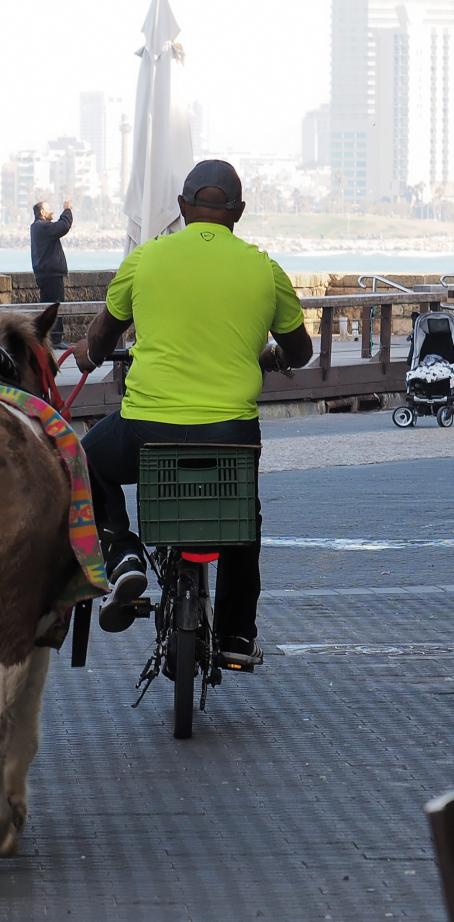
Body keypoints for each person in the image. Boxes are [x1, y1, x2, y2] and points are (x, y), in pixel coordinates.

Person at [72, 160, 313, 668]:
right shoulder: (265, 269)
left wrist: (87, 355)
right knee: (243, 522)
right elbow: (300, 350)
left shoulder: (146, 260)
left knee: (82, 460)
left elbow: (101, 336)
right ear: (239, 212)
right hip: (230, 432)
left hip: (147, 430)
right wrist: (274, 358)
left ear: (182, 207)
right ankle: (235, 637)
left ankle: (123, 553)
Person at [31, 199, 72, 346]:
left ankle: (46, 337)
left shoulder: (38, 227)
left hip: (44, 273)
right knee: (56, 306)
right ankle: (55, 339)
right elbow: (63, 226)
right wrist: (67, 209)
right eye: (49, 209)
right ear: (42, 212)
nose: (52, 211)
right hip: (51, 275)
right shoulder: (42, 226)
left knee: (47, 307)